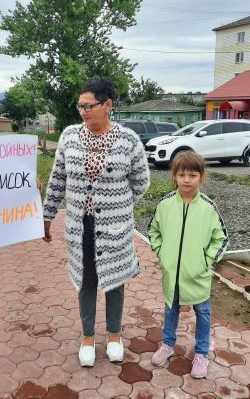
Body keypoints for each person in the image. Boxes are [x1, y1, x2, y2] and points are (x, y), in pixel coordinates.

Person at [43, 77, 150, 367]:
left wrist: (116, 205)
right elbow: (58, 180)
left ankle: (114, 336)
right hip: (80, 226)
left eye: (89, 106)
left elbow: (141, 183)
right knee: (86, 280)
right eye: (80, 106)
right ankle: (88, 338)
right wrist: (47, 215)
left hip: (115, 228)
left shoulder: (128, 141)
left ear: (108, 105)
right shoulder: (69, 137)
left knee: (115, 281)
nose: (83, 112)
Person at [148, 151, 229, 378]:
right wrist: (162, 253)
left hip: (198, 275)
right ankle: (167, 344)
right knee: (170, 310)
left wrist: (206, 260)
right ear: (174, 176)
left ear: (201, 177)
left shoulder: (208, 207)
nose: (186, 180)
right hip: (172, 274)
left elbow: (221, 238)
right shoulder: (165, 204)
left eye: (192, 175)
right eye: (182, 175)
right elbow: (153, 230)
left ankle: (201, 353)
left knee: (203, 313)